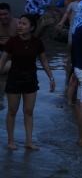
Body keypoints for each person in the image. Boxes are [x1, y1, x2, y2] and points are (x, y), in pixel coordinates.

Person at [1, 14, 54, 150]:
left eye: (24, 24)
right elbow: (3, 60)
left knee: (29, 111)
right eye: (19, 23)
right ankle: (11, 141)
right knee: (12, 111)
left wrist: (51, 78)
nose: (19, 26)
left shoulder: (37, 42)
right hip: (14, 80)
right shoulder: (12, 42)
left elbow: (44, 61)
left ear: (32, 28)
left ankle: (28, 142)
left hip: (30, 80)